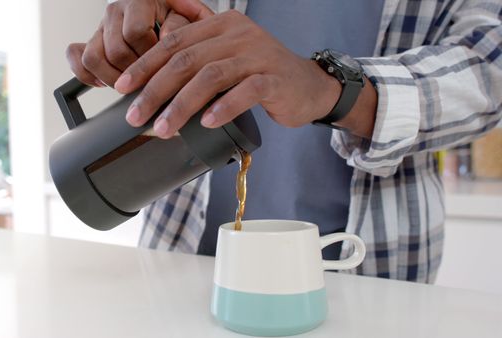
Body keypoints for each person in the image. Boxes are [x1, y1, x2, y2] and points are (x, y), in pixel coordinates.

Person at [66, 0, 502, 283]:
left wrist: (333, 88)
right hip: (182, 259)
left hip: (372, 272)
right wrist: (147, 23)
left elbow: (488, 68)